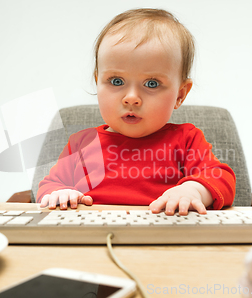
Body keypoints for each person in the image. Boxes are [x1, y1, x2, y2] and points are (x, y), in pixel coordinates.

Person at [37, 8, 236, 215]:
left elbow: (221, 178)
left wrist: (192, 190)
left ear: (180, 94)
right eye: (116, 81)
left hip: (163, 238)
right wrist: (59, 193)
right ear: (98, 83)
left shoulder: (187, 140)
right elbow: (49, 185)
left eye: (151, 83)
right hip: (92, 238)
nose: (131, 97)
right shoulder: (82, 143)